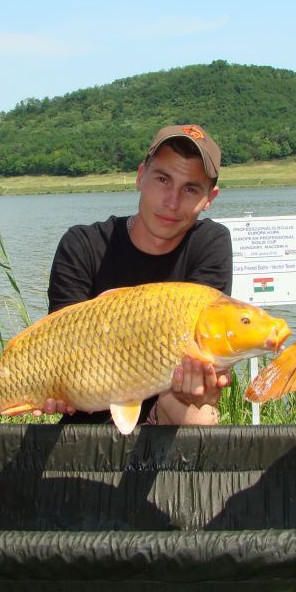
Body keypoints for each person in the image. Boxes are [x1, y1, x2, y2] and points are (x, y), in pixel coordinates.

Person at [41, 124, 233, 425]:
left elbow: (202, 354)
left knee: (199, 413)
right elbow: (57, 347)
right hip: (86, 420)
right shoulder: (83, 245)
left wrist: (205, 385)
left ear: (210, 197)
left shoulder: (210, 243)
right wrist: (55, 386)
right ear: (141, 176)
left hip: (162, 415)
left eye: (191, 189)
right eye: (162, 180)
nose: (172, 201)